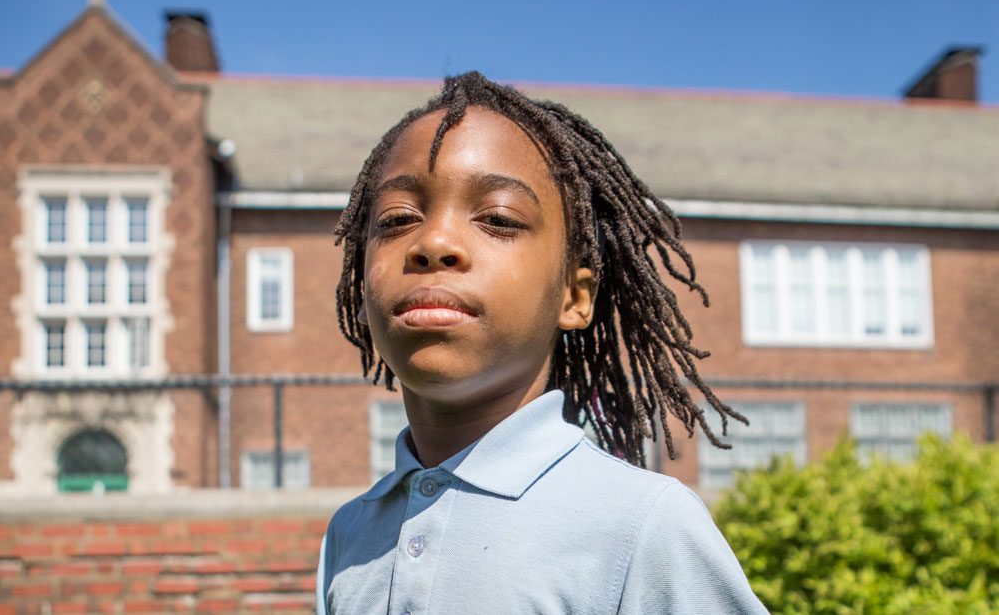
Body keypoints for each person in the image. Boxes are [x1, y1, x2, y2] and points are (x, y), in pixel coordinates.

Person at [317, 72, 768, 614]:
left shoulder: (643, 525)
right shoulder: (349, 532)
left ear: (574, 297)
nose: (432, 242)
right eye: (397, 220)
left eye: (498, 219)